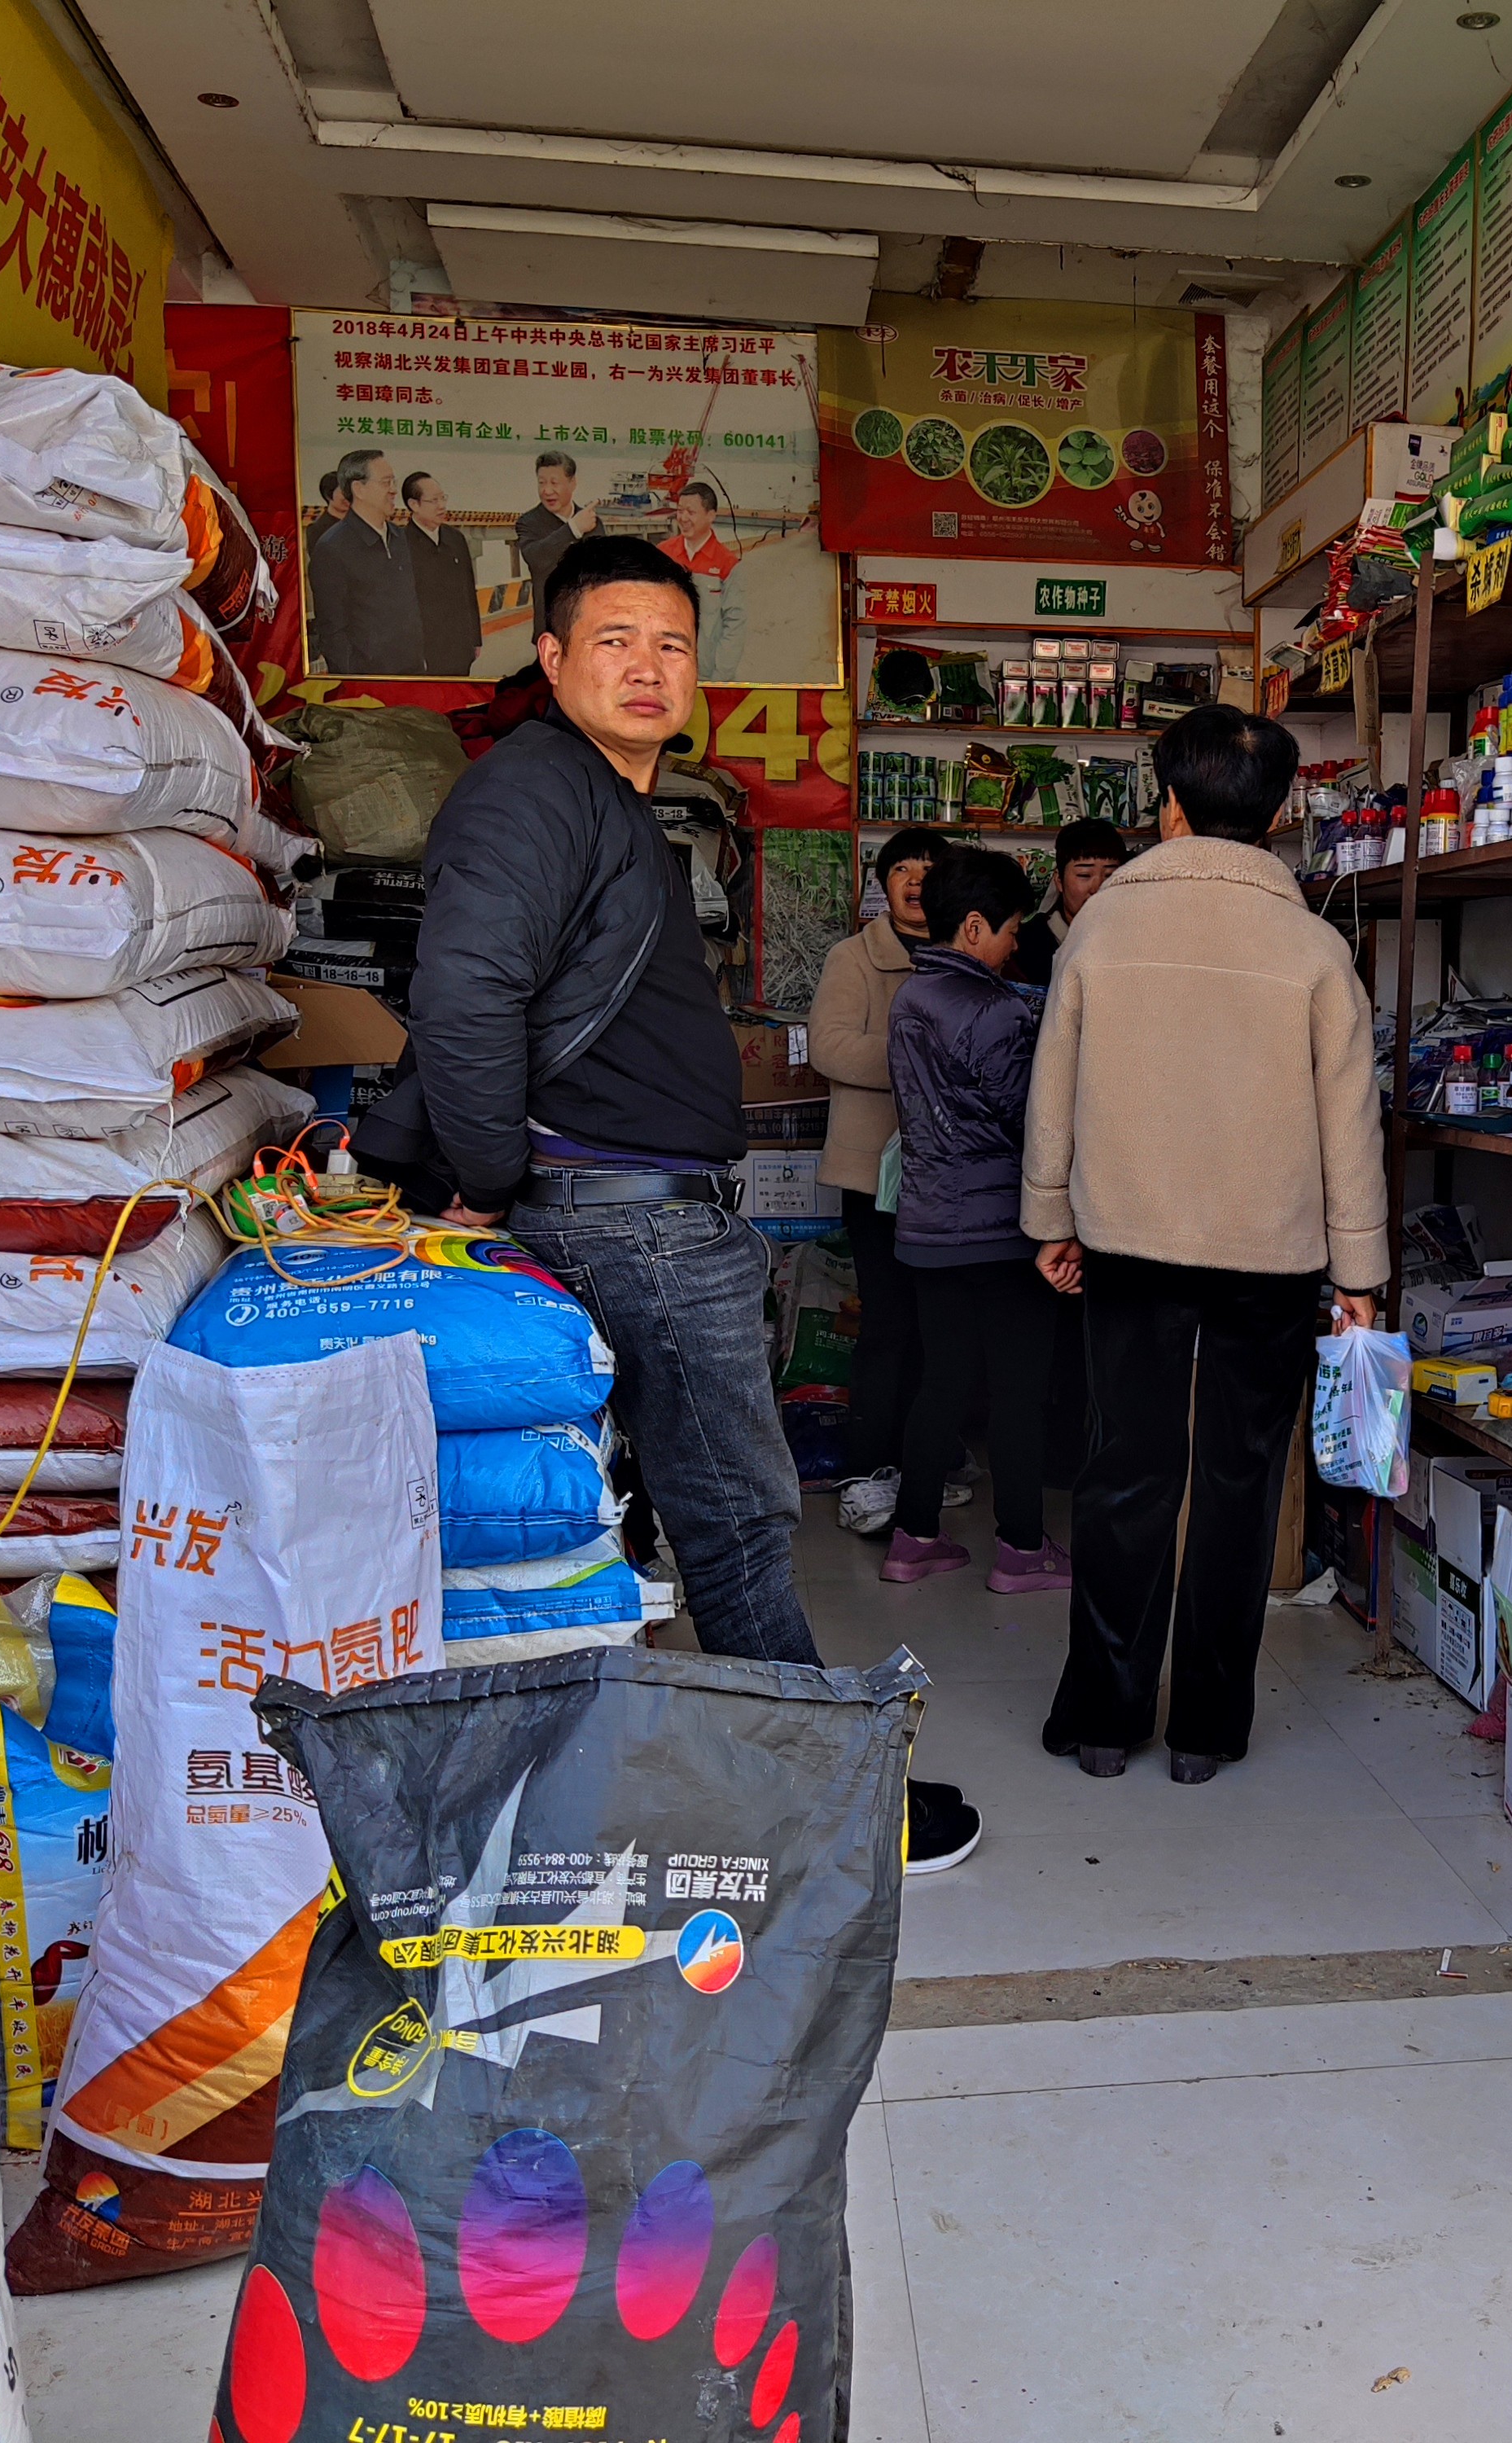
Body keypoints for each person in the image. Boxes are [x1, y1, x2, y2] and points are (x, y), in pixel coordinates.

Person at [353, 531, 978, 1874]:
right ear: (554, 655)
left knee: (688, 1519)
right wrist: (497, 1180)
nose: (647, 667)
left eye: (673, 644)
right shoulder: (532, 792)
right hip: (615, 1211)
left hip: (635, 1205)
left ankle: (697, 1783)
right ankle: (826, 1813)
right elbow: (466, 994)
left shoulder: (603, 799)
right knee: (740, 1520)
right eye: (616, 640)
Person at [1022, 706, 1387, 1785]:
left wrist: (1051, 1217)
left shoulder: (1101, 929)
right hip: (1270, 1255)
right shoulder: (1316, 948)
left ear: (1169, 806)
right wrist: (1360, 1273)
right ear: (1275, 819)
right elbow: (1348, 1124)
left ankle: (1103, 1719)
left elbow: (1055, 1085)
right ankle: (1207, 1731)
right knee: (1238, 1483)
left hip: (1125, 1239)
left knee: (1124, 1473)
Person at [882, 848, 1074, 1594]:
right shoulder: (994, 1012)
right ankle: (1022, 1549)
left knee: (942, 1381)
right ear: (971, 926)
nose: (1015, 944)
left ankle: (914, 1537)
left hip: (928, 1226)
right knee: (1021, 1391)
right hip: (998, 1229)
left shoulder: (910, 998)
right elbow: (1033, 1119)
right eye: (1008, 930)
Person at [809, 826, 964, 1539]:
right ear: (883, 882)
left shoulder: (963, 955)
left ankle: (924, 1463)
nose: (914, 880)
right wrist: (920, 1056)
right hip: (875, 1174)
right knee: (887, 1323)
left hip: (949, 1174)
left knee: (940, 1327)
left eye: (928, 869)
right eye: (901, 868)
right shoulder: (854, 957)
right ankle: (865, 1471)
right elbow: (830, 1046)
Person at [308, 448, 424, 676]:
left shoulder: (400, 538)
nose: (393, 490)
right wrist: (353, 680)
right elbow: (332, 630)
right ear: (358, 489)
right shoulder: (332, 547)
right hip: (369, 682)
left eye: (394, 481)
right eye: (385, 482)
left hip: (413, 672)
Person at [1010, 816, 1126, 989]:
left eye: (1109, 876)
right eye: (1084, 876)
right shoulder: (1024, 946)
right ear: (1059, 880)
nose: (1097, 888)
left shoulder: (1132, 942)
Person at [659, 479, 746, 682]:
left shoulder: (727, 564)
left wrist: (721, 677)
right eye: (680, 511)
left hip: (705, 675)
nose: (683, 518)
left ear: (711, 515)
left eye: (691, 512)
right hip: (663, 672)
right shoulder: (662, 554)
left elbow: (735, 624)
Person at [402, 471, 484, 675]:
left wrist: (475, 639)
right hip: (426, 651)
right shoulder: (401, 545)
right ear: (414, 505)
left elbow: (468, 590)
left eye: (443, 498)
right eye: (433, 500)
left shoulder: (455, 538)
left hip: (460, 646)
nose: (442, 506)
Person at [514, 449, 598, 603]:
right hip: (549, 621)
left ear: (572, 483)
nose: (547, 491)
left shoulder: (593, 522)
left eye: (554, 483)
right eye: (541, 483)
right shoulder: (528, 522)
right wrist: (573, 529)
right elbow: (536, 559)